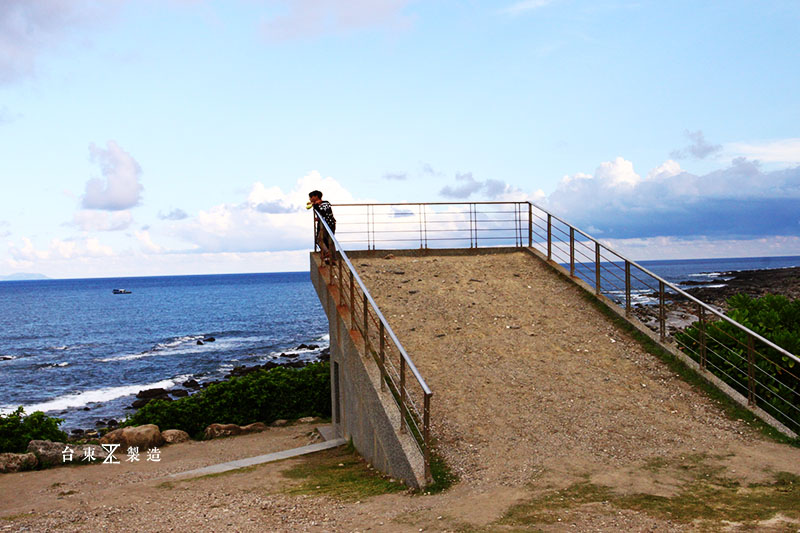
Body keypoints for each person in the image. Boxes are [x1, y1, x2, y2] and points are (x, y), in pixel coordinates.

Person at [308, 190, 336, 264]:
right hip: (325, 224)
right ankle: (330, 258)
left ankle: (328, 254)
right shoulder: (320, 204)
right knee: (327, 241)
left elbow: (323, 212)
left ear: (316, 196)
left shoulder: (325, 203)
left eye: (311, 197)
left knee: (321, 240)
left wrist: (316, 205)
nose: (310, 199)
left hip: (328, 224)